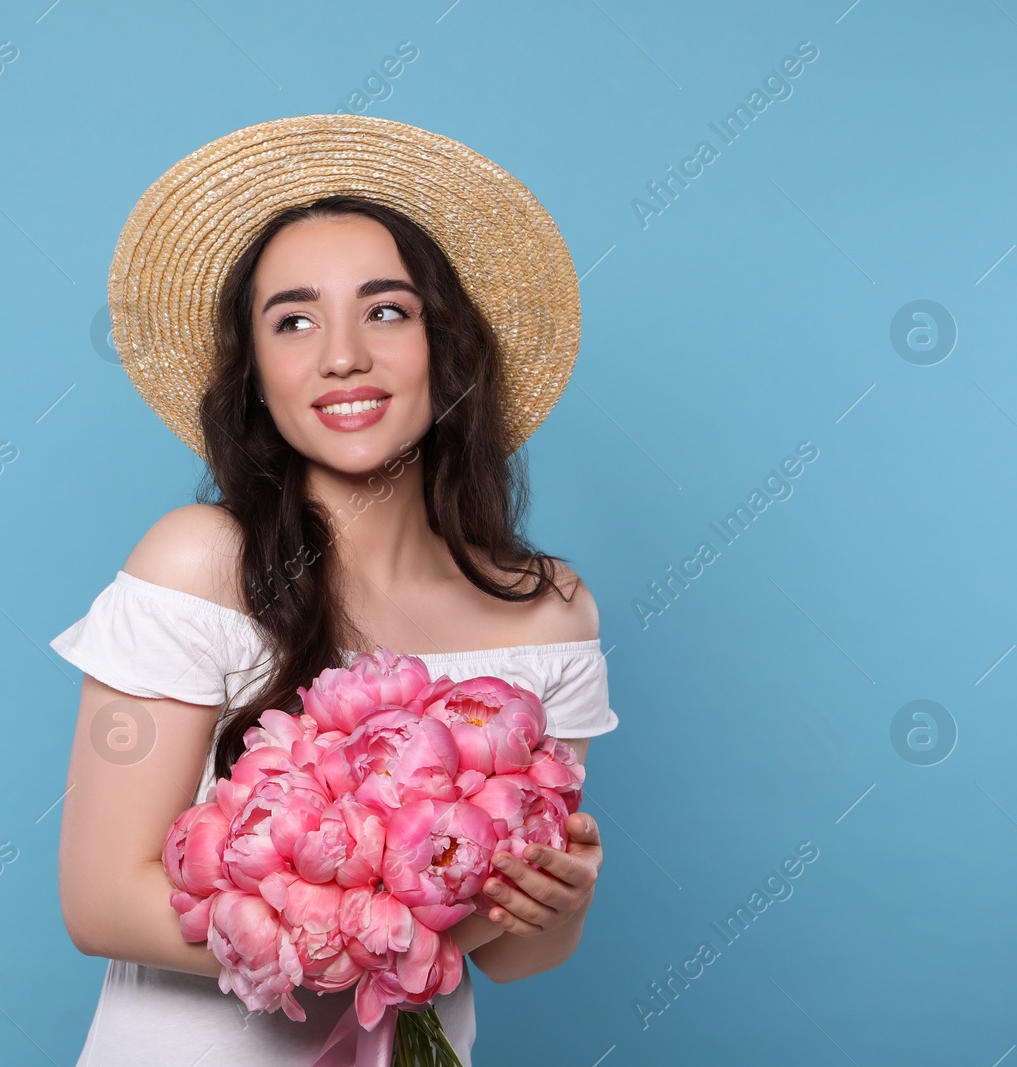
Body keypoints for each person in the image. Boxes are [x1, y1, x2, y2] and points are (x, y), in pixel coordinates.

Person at [49, 114, 617, 1066]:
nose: (342, 355)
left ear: (448, 346)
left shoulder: (549, 609)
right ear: (256, 375)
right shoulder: (199, 564)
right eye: (295, 320)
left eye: (387, 310)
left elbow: (519, 959)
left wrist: (558, 902)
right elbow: (102, 900)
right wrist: (395, 928)